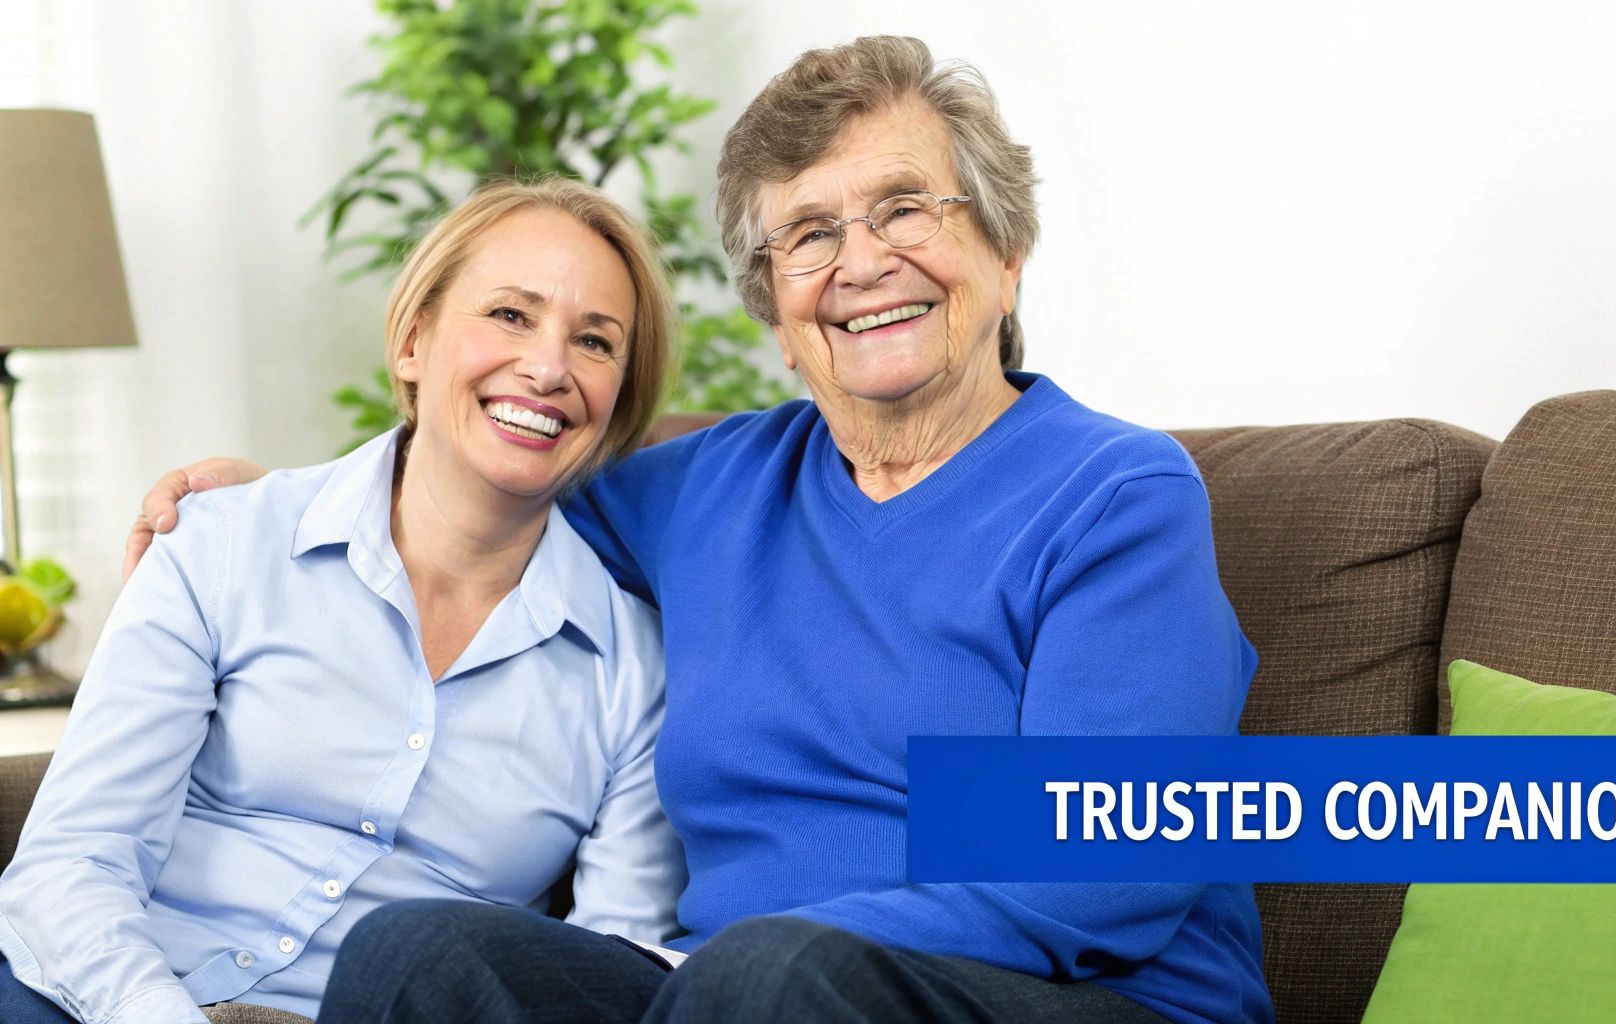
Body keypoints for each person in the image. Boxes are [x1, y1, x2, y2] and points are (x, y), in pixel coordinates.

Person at [128, 36, 1274, 1024]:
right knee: (417, 948)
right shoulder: (714, 487)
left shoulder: (1112, 493)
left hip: (1086, 997)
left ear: (1004, 252)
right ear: (774, 310)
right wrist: (280, 502)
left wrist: (736, 967)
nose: (861, 262)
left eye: (906, 208)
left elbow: (1103, 865)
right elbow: (477, 486)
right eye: (807, 236)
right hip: (731, 994)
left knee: (776, 971)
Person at [4, 178, 684, 1023]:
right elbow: (75, 860)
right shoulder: (223, 544)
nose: (548, 367)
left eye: (594, 341)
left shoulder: (632, 671)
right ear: (413, 341)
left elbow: (596, 974)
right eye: (510, 314)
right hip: (105, 994)